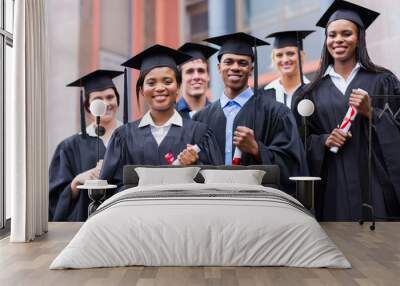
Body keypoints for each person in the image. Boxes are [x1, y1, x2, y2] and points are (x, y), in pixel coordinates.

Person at [298, 0, 400, 221]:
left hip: (376, 188)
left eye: (346, 33)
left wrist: (371, 112)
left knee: (377, 250)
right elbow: (299, 141)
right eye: (332, 35)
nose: (338, 40)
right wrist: (323, 140)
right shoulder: (311, 92)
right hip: (332, 191)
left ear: (359, 38)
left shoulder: (384, 81)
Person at [193, 32, 308, 195]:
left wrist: (257, 149)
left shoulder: (277, 113)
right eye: (229, 62)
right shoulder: (201, 118)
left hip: (259, 204)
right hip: (214, 202)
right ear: (219, 68)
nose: (235, 67)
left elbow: (294, 166)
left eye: (242, 63)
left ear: (251, 69)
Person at [100, 44, 223, 188]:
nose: (159, 88)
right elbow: (108, 189)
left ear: (178, 87)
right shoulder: (123, 137)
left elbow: (216, 187)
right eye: (151, 83)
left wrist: (195, 166)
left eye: (167, 81)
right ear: (141, 90)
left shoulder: (200, 134)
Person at [49, 69, 124, 221]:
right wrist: (77, 180)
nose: (106, 103)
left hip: (124, 222)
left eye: (110, 97)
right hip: (85, 225)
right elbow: (54, 201)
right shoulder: (70, 147)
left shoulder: (133, 138)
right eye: (98, 99)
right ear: (88, 106)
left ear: (117, 100)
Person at [264, 30, 314, 110]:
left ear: (302, 56)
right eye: (279, 55)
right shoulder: (264, 95)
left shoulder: (313, 91)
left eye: (290, 53)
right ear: (273, 58)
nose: (285, 60)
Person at [176, 43, 217, 119]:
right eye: (190, 71)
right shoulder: (170, 116)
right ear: (181, 78)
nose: (196, 77)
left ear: (208, 76)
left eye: (201, 71)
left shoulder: (219, 114)